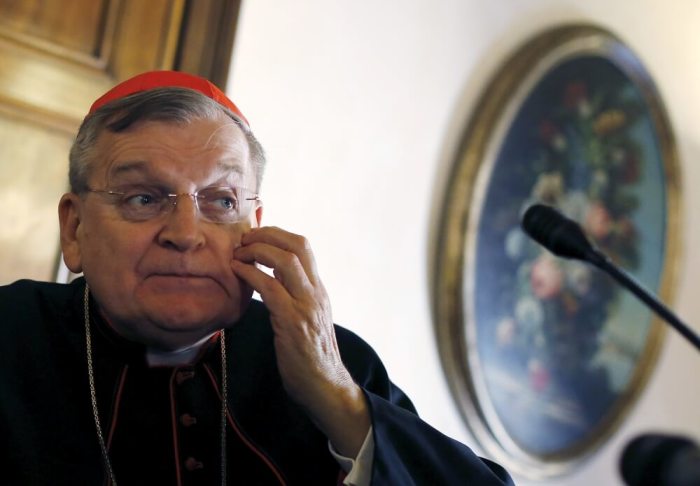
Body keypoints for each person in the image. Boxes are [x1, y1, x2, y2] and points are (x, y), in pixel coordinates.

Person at [0, 71, 513, 485]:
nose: (185, 233)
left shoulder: (335, 362)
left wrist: (339, 402)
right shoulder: (10, 336)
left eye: (221, 201)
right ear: (74, 228)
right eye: (143, 198)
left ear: (255, 228)